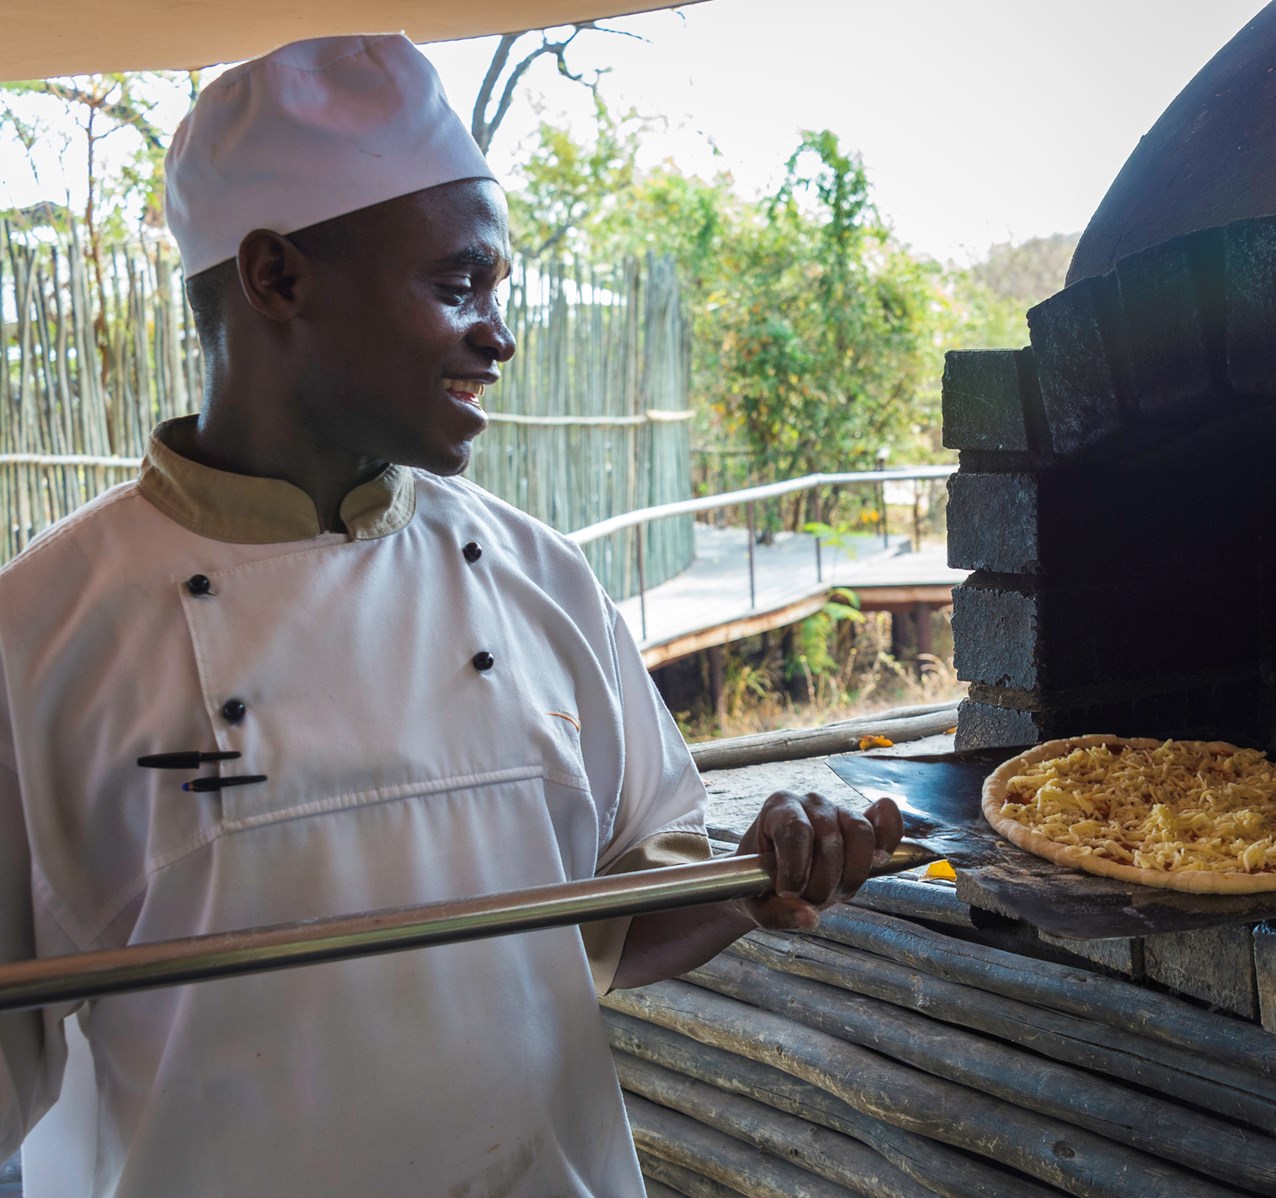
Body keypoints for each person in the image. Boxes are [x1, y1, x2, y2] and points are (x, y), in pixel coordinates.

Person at [0, 33, 901, 1196]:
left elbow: (628, 903)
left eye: (498, 289)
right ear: (277, 277)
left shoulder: (538, 575)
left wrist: (760, 872)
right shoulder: (44, 632)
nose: (499, 333)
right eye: (455, 284)